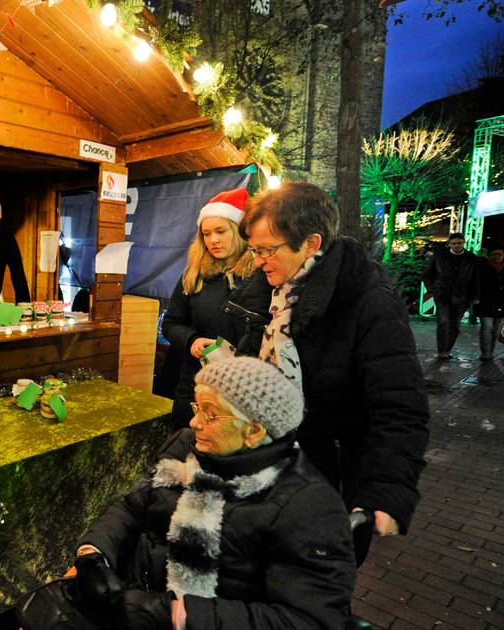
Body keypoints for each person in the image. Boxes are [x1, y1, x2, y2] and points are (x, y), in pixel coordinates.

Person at [72, 357, 355, 630]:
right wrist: (93, 555)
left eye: (209, 413)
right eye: (197, 408)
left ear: (254, 431)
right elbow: (132, 506)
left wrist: (174, 615)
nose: (194, 423)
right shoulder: (186, 447)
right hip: (128, 600)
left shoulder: (307, 504)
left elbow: (308, 620)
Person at [225, 182, 429, 549]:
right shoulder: (267, 294)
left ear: (311, 244)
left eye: (267, 250)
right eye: (254, 250)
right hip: (264, 466)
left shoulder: (368, 303)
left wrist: (385, 490)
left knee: (309, 589)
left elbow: (400, 406)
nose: (257, 260)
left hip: (325, 480)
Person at [160, 188, 254, 429]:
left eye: (221, 231)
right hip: (194, 385)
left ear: (239, 230)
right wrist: (191, 340)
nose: (213, 240)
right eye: (207, 234)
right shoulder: (194, 275)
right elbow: (171, 323)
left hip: (242, 390)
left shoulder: (260, 277)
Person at [421, 232, 480, 360]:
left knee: (455, 325)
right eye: (454, 243)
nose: (457, 246)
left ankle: (448, 349)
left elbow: (476, 278)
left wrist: (475, 295)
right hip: (442, 293)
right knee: (443, 321)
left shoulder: (471, 258)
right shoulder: (440, 256)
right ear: (450, 244)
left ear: (463, 243)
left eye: (459, 243)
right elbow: (427, 274)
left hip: (461, 295)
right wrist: (432, 289)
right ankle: (442, 350)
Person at [475, 246, 504, 361]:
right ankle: (485, 353)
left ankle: (490, 351)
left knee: (497, 330)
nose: (497, 257)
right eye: (494, 254)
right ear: (489, 255)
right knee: (487, 327)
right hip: (485, 303)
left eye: (499, 254)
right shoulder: (482, 266)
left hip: (503, 304)